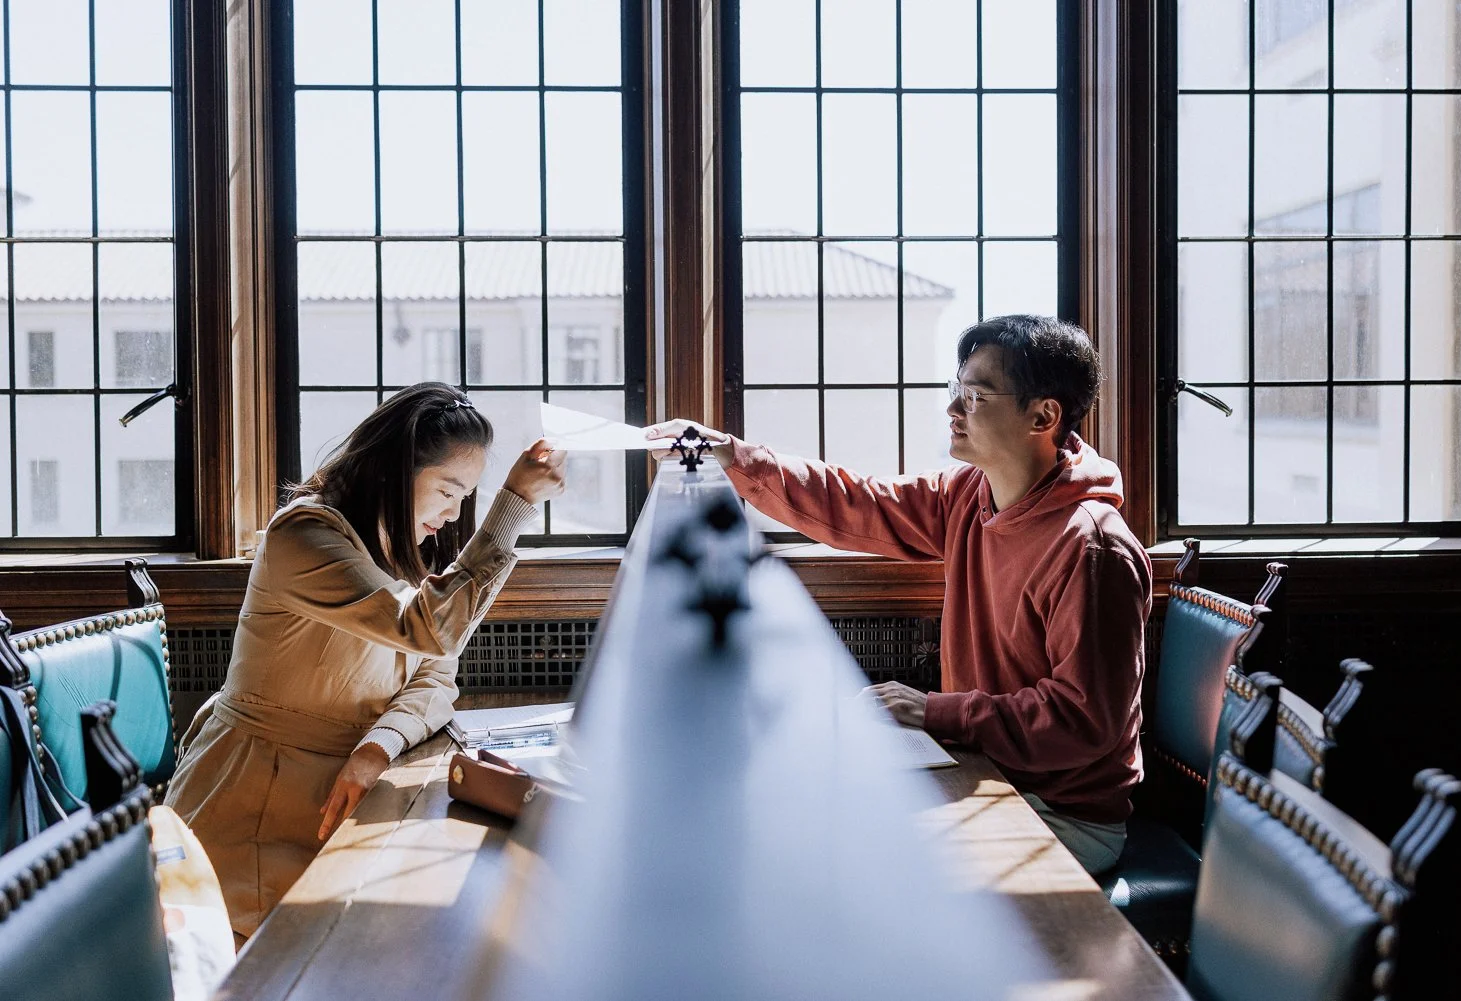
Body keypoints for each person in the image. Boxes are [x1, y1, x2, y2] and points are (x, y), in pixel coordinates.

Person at [646, 315, 1150, 875]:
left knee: (848, 867)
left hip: (1059, 816)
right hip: (980, 770)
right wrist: (734, 458)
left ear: (1043, 415)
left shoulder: (1092, 547)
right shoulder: (968, 494)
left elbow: (1083, 723)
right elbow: (859, 501)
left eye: (975, 396)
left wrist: (934, 710)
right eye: (955, 391)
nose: (953, 411)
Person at [165, 383, 566, 943]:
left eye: (465, 499)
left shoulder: (391, 547)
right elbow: (428, 631)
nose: (452, 517)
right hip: (256, 801)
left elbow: (436, 670)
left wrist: (376, 746)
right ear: (393, 471)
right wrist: (513, 506)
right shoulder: (305, 536)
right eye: (449, 492)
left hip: (341, 788)